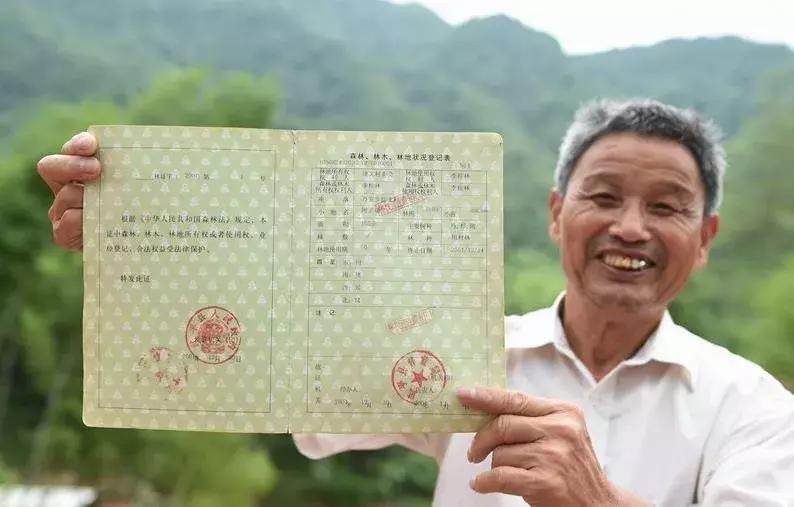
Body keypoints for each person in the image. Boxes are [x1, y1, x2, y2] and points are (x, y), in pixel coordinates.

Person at [38, 99, 794, 506]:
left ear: (705, 237)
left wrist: (591, 501)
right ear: (556, 213)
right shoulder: (466, 352)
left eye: (666, 206)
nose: (630, 226)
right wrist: (138, 238)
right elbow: (285, 367)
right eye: (603, 195)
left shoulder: (754, 408)